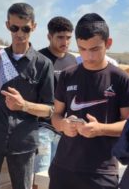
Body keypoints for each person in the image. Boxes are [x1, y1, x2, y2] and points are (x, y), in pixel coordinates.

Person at [0, 2, 54, 189]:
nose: (20, 34)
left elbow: (50, 110)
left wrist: (24, 105)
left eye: (26, 29)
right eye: (14, 28)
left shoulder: (43, 64)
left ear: (34, 27)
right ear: (7, 26)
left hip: (24, 142)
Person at [49, 13, 129, 189]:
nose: (88, 56)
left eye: (95, 49)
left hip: (100, 172)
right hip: (63, 168)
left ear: (108, 43)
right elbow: (56, 115)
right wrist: (63, 125)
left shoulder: (120, 79)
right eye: (82, 49)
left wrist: (100, 129)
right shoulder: (68, 75)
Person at [34, 17, 76, 174]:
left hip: (64, 129)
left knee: (58, 175)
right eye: (60, 37)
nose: (65, 42)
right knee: (40, 175)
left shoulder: (72, 60)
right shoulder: (38, 59)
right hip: (42, 128)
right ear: (49, 37)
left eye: (68, 38)